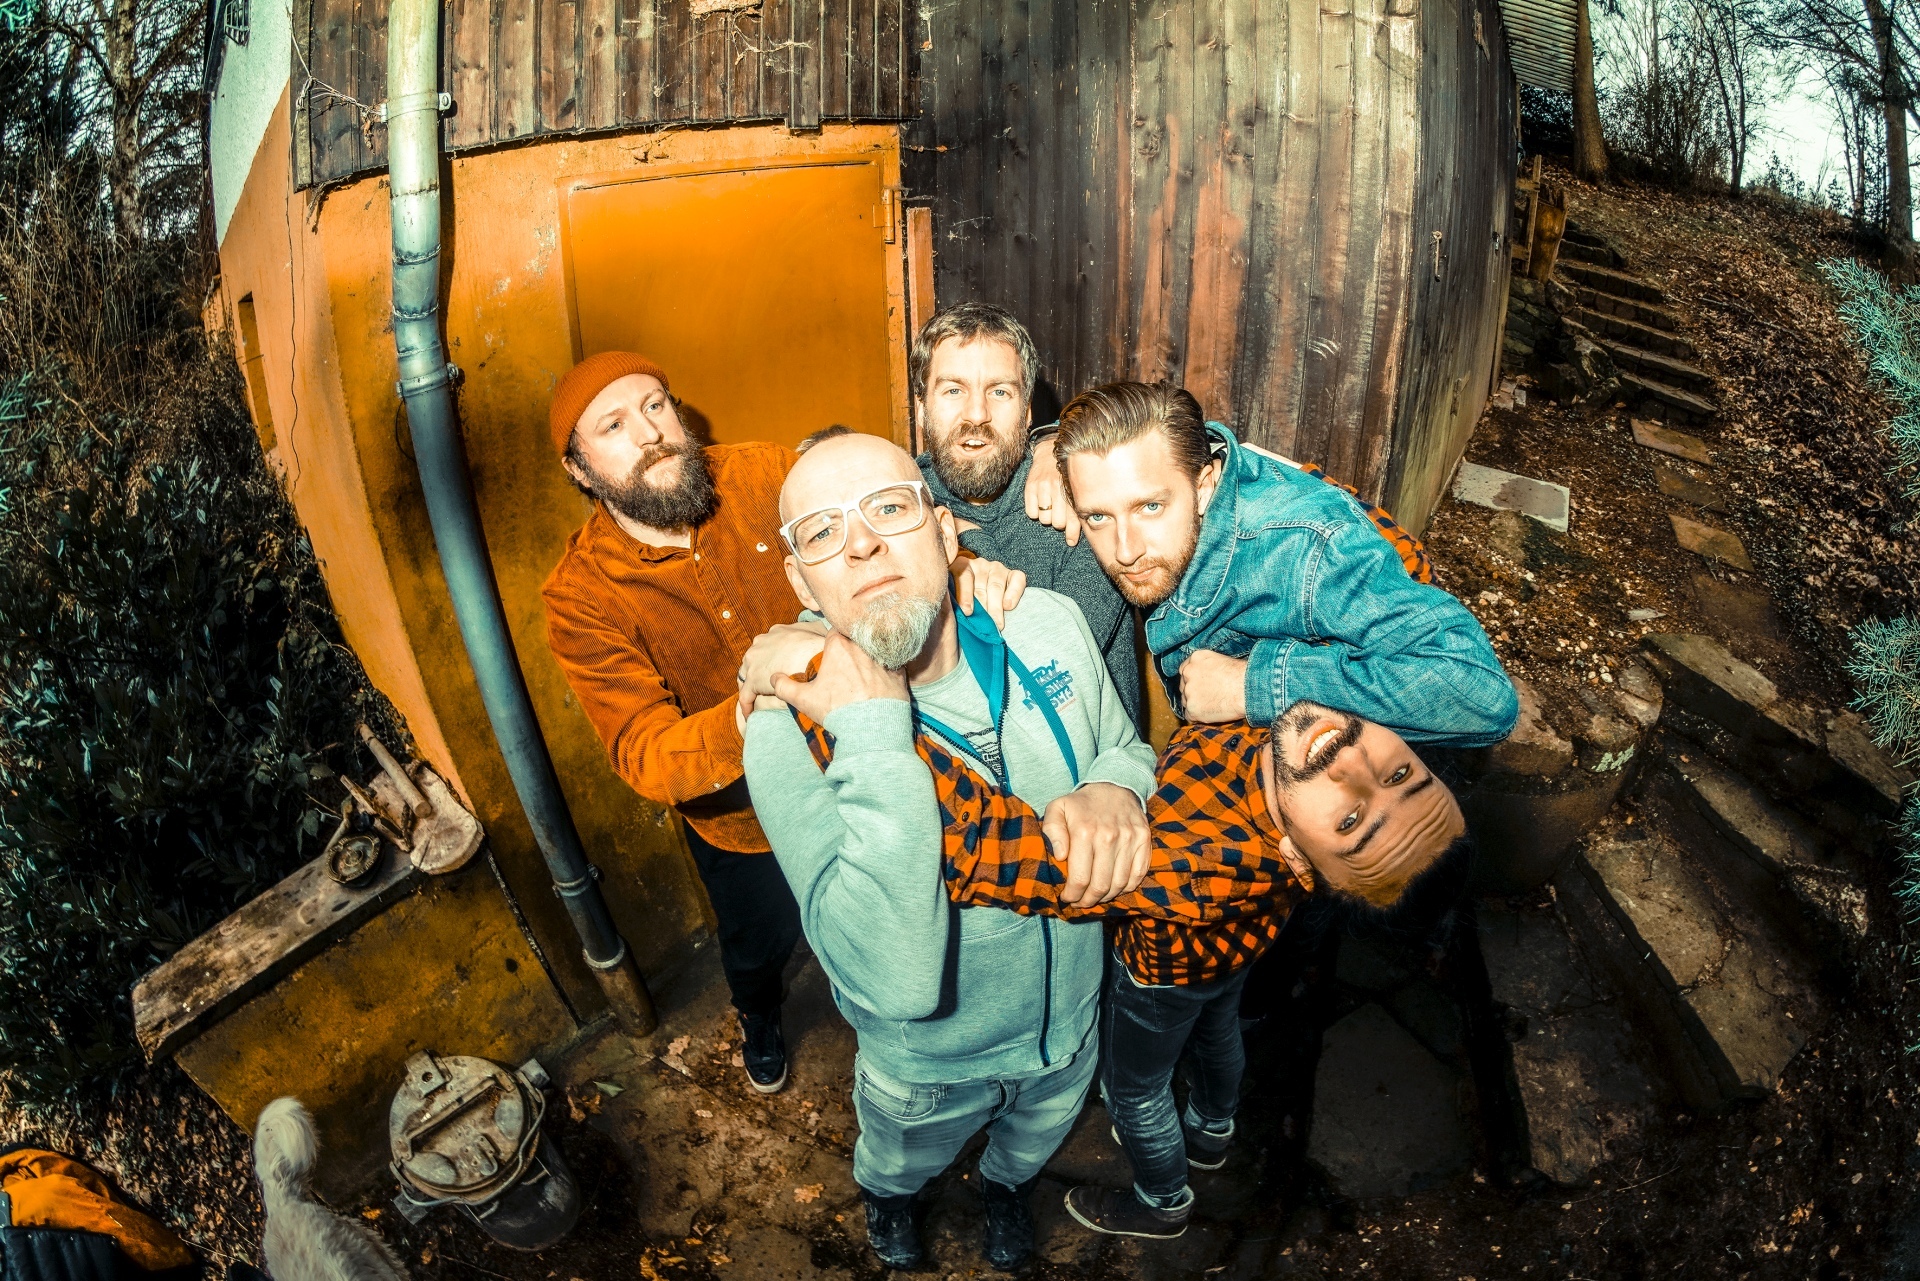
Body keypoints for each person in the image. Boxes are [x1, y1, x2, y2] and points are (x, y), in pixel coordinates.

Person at [541, 352, 1021, 1093]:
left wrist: (984, 536)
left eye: (657, 406)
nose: (652, 432)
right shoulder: (579, 596)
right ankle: (759, 1018)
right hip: (744, 822)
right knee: (756, 946)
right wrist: (768, 698)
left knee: (913, 921)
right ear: (578, 469)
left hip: (880, 754)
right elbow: (646, 752)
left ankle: (928, 1063)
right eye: (614, 424)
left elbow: (886, 499)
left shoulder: (766, 472)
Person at [739, 431, 1157, 1271]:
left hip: (1069, 1026)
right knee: (900, 1161)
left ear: (943, 528)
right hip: (926, 1066)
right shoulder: (786, 734)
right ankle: (892, 1205)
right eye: (821, 531)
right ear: (800, 580)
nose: (859, 543)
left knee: (1026, 1146)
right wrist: (870, 729)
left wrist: (1117, 788)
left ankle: (1004, 1190)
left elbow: (1127, 746)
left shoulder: (1046, 621)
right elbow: (892, 974)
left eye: (888, 509)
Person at [1047, 380, 1519, 746]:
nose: (1125, 550)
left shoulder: (1305, 551)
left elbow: (1478, 693)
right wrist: (1042, 450)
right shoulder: (1136, 469)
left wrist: (1250, 685)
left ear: (1204, 485)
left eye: (1150, 507)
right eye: (1098, 516)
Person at [911, 304, 1143, 726]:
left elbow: (1046, 677)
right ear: (922, 408)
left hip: (1092, 769)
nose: (977, 414)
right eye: (952, 390)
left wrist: (967, 538)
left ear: (1029, 411)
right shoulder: (897, 512)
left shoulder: (1082, 498)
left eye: (1000, 391)